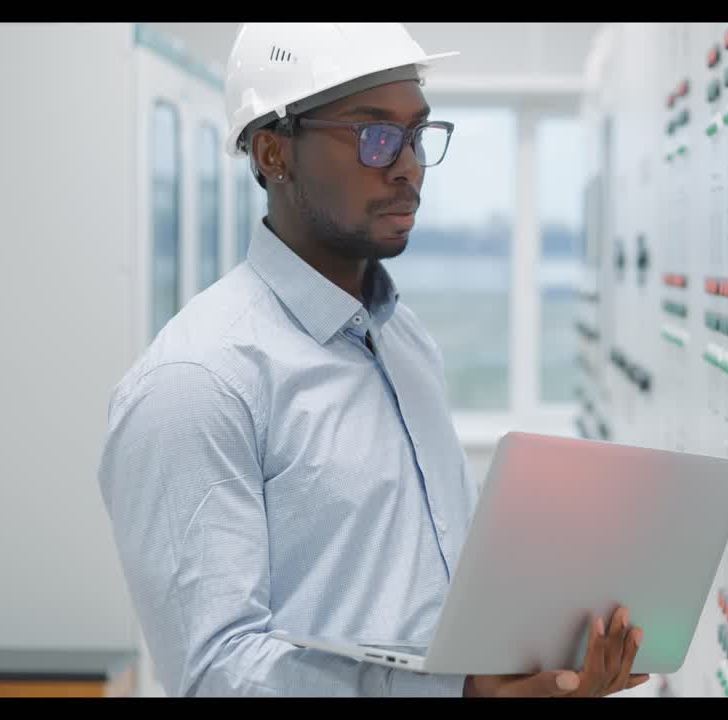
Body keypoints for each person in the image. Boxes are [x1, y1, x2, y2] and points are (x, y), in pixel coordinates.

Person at [97, 23, 647, 697]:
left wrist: (543, 661)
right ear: (274, 152)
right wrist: (460, 693)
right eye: (374, 135)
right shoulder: (199, 382)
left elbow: (439, 600)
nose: (408, 165)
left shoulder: (404, 341)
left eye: (417, 134)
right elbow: (214, 672)